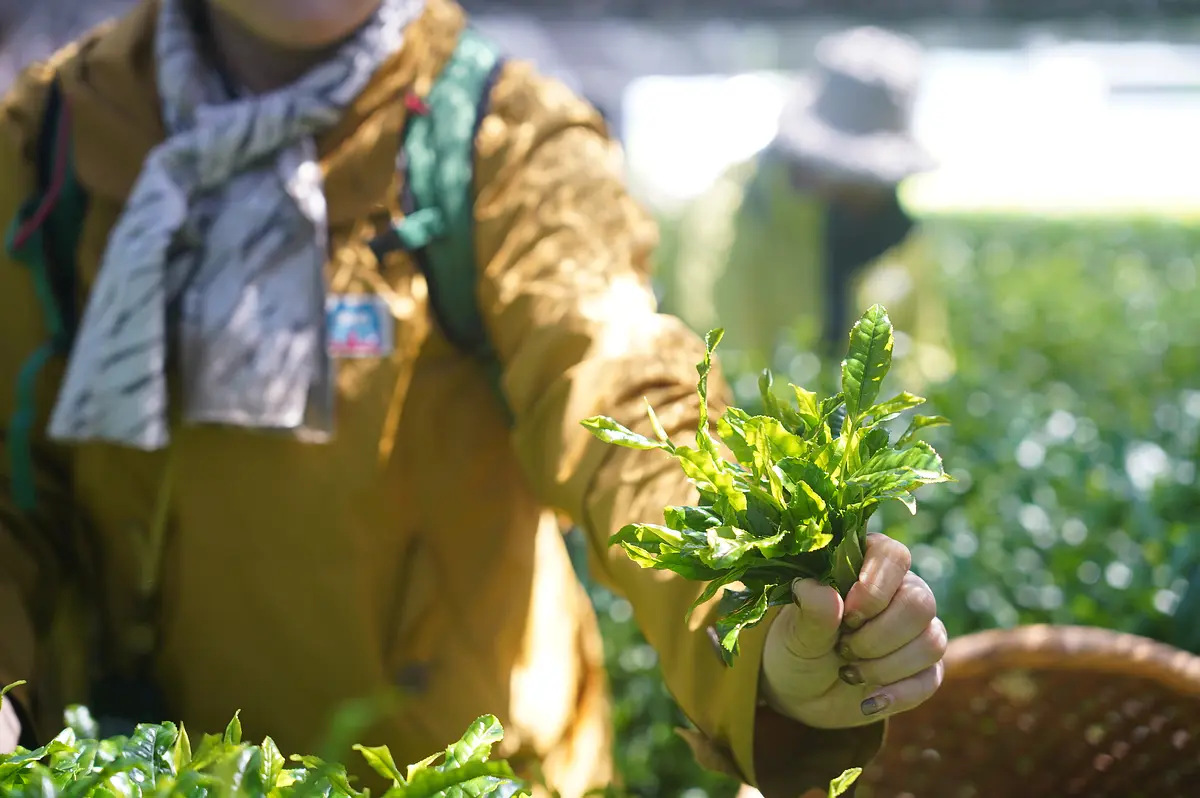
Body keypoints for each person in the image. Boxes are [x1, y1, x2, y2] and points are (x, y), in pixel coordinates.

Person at [0, 2, 947, 796]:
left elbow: (623, 397)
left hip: (463, 772)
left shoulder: (500, 138)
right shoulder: (52, 140)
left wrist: (759, 625)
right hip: (147, 766)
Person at [660, 26, 955, 390]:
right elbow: (717, 366)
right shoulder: (726, 219)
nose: (865, 193)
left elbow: (928, 354)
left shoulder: (893, 231)